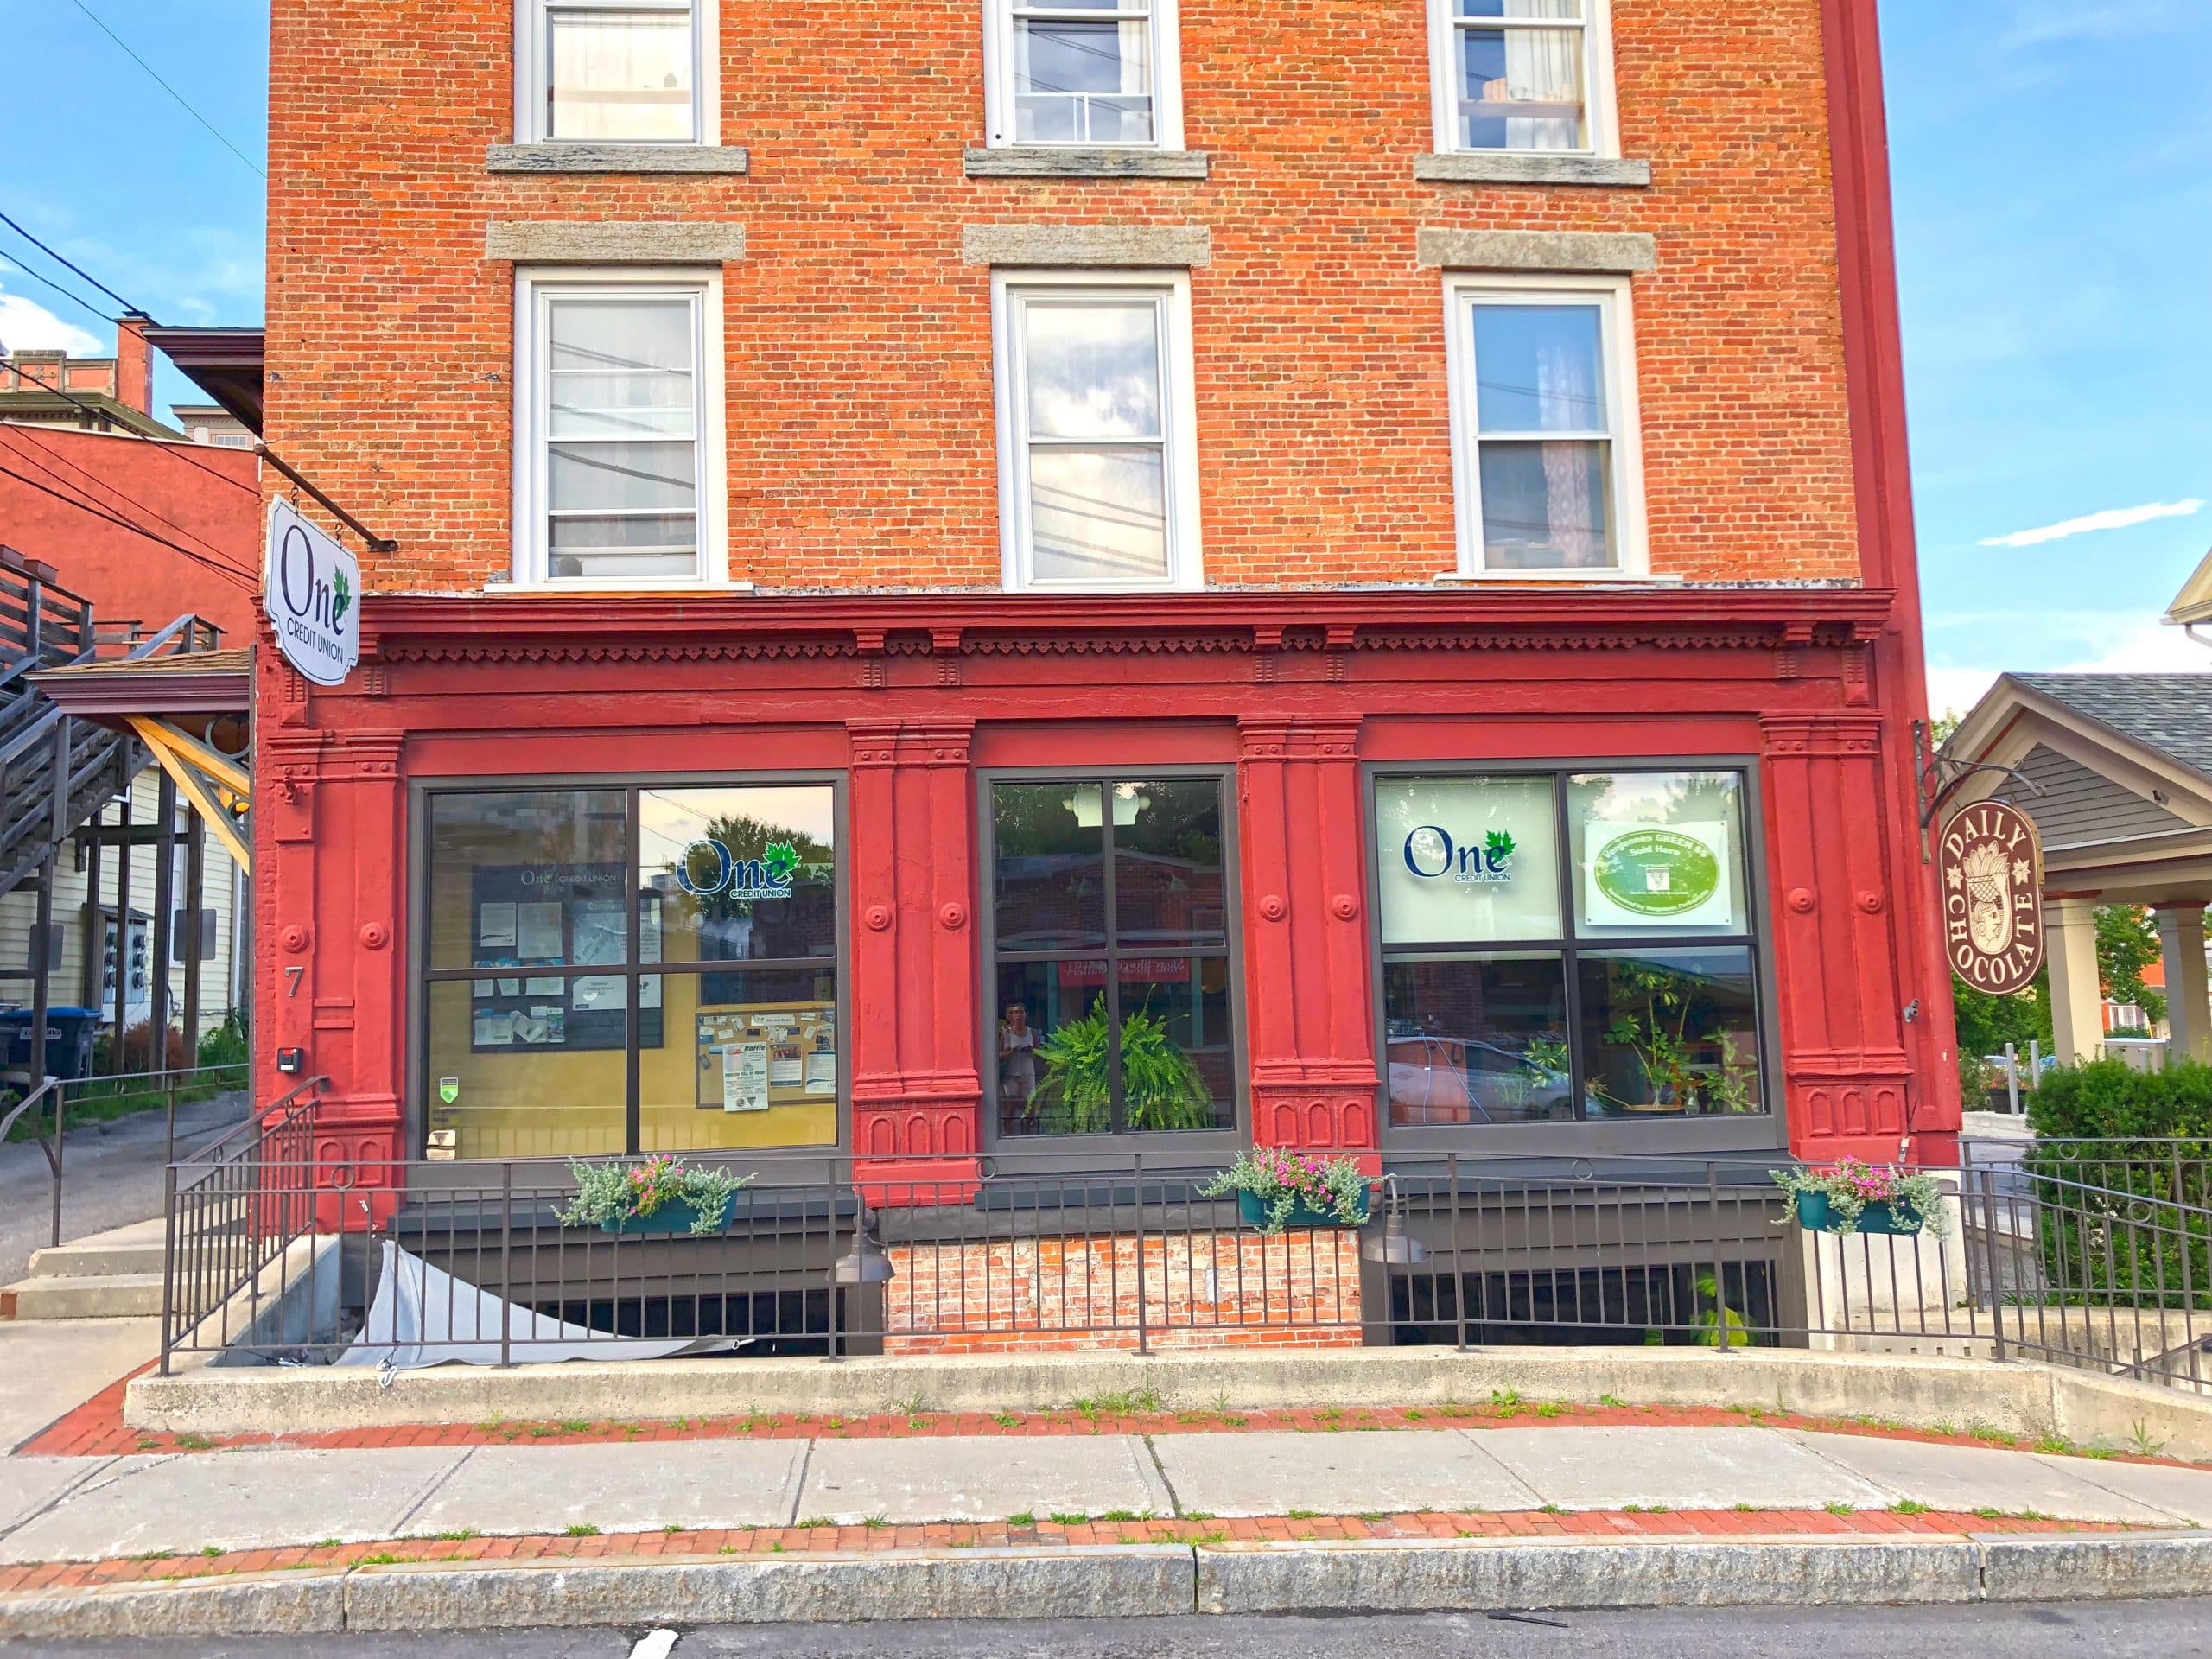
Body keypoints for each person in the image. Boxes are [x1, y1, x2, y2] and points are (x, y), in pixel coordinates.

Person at [998, 1001, 1039, 1116]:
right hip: (1011, 1074)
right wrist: (1012, 1051)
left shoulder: (1032, 1032)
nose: (1018, 1015)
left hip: (1028, 1072)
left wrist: (1031, 1050)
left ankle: (1028, 1130)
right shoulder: (1006, 1032)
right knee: (1010, 1107)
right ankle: (1008, 1131)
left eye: (1021, 1012)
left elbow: (1039, 1054)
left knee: (1030, 1105)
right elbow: (999, 1055)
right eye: (1015, 1012)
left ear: (1026, 1015)